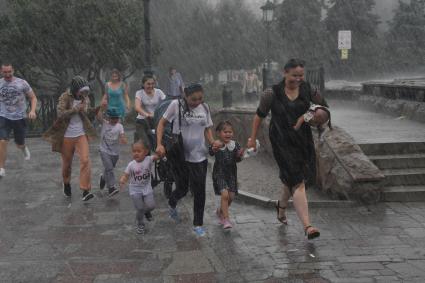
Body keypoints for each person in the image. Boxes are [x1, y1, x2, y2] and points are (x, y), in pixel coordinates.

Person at [247, 59, 328, 240]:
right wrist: (252, 138)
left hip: (303, 139)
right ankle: (307, 226)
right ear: (285, 73)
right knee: (298, 181)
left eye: (301, 75)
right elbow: (258, 116)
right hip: (281, 140)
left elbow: (323, 109)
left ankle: (281, 207)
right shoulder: (271, 93)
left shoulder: (309, 90)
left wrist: (306, 117)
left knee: (293, 178)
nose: (298, 79)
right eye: (294, 75)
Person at [156, 83, 222, 237]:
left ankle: (198, 224)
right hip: (180, 155)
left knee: (200, 191)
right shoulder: (176, 105)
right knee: (182, 188)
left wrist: (213, 143)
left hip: (199, 155)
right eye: (193, 99)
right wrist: (159, 144)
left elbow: (207, 129)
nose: (197, 102)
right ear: (185, 95)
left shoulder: (204, 108)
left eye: (200, 98)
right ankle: (172, 202)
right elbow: (161, 123)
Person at [43, 76, 98, 201]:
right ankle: (66, 183)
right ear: (74, 89)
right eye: (81, 91)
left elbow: (87, 112)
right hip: (66, 135)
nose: (83, 94)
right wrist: (75, 109)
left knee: (85, 160)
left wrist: (96, 110)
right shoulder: (65, 97)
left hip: (81, 134)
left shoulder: (85, 98)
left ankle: (85, 190)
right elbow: (60, 113)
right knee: (67, 165)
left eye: (85, 91)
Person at [0, 63, 37, 177]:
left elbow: (33, 97)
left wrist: (32, 111)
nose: (7, 74)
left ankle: (23, 147)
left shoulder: (22, 83)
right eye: (5, 72)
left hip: (19, 117)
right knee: (2, 141)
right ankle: (1, 168)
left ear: (13, 71)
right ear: (1, 72)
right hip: (3, 116)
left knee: (19, 143)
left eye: (9, 72)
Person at [119, 141, 160, 235]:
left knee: (151, 206)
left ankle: (144, 213)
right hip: (135, 189)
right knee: (140, 208)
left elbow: (157, 156)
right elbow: (126, 175)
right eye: (134, 151)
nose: (136, 153)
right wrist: (122, 179)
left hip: (146, 187)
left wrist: (160, 151)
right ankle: (140, 223)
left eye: (139, 151)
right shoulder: (131, 165)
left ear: (145, 152)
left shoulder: (149, 159)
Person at [209, 121, 244, 230]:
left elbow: (238, 159)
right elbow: (211, 152)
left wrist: (240, 155)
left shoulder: (235, 144)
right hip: (219, 173)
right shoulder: (216, 144)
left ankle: (220, 211)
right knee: (225, 195)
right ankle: (226, 219)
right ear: (219, 133)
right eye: (225, 132)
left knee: (231, 197)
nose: (228, 134)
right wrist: (214, 148)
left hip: (232, 174)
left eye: (230, 132)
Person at [98, 107, 127, 197]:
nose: (115, 120)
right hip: (104, 150)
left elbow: (122, 134)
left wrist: (123, 138)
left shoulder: (119, 126)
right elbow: (98, 116)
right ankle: (111, 187)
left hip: (115, 153)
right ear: (108, 118)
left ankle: (103, 178)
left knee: (109, 169)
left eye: (116, 118)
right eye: (113, 118)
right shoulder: (104, 124)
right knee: (109, 168)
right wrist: (101, 107)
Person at [134, 75, 166, 147]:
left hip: (156, 119)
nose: (151, 86)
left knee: (160, 141)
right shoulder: (139, 93)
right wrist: (148, 115)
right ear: (143, 84)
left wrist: (160, 113)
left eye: (152, 84)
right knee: (145, 143)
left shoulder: (159, 92)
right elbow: (137, 107)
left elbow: (166, 103)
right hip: (143, 120)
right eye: (148, 84)